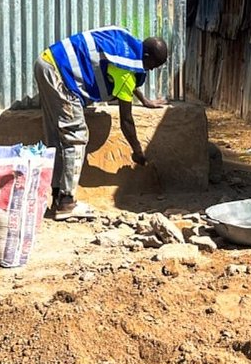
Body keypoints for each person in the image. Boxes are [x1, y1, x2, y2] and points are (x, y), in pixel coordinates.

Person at [34, 26, 168, 220]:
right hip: (59, 75)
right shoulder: (126, 69)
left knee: (55, 136)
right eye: (153, 64)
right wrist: (138, 151)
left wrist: (144, 100)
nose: (152, 69)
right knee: (76, 137)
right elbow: (126, 120)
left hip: (46, 62)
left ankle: (57, 197)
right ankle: (66, 202)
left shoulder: (127, 45)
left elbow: (127, 76)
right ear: (146, 55)